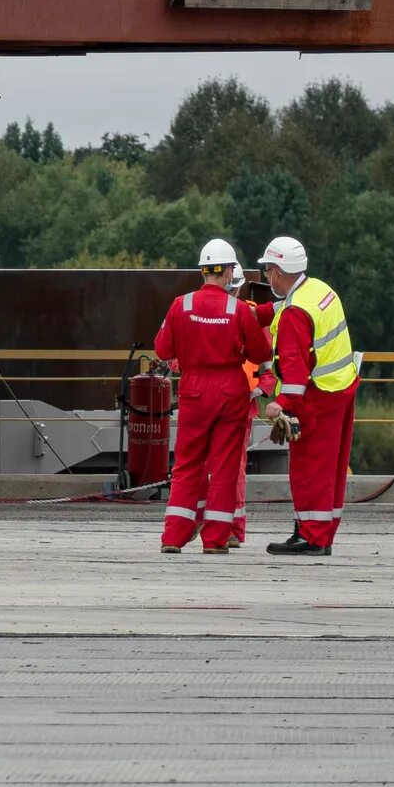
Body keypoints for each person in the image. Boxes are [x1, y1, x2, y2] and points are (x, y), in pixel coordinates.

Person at [153, 237, 273, 554]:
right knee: (224, 467)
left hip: (193, 390)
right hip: (230, 392)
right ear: (228, 271)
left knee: (186, 465)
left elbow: (163, 348)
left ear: (204, 270)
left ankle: (173, 537)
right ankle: (215, 539)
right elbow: (262, 351)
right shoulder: (239, 310)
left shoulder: (181, 305)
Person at [256, 235, 360, 557]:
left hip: (315, 399)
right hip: (342, 389)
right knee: (332, 469)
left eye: (268, 271)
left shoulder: (293, 317)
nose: (267, 277)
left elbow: (296, 378)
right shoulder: (319, 290)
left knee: (309, 469)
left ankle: (311, 537)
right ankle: (323, 533)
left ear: (277, 271)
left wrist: (278, 404)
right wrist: (251, 313)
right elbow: (281, 307)